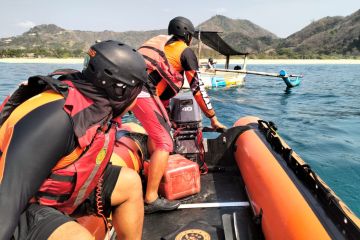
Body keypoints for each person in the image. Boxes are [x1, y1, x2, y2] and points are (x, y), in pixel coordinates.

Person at [0, 40, 148, 240]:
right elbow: (8, 196)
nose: (137, 99)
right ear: (120, 90)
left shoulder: (98, 107)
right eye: (137, 91)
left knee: (129, 183)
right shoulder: (57, 119)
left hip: (53, 190)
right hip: (16, 202)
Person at [133, 16, 227, 214]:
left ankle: (154, 178)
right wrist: (213, 118)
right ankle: (150, 198)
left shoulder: (162, 45)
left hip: (133, 93)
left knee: (157, 135)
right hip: (144, 95)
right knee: (164, 142)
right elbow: (197, 89)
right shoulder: (185, 52)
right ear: (188, 35)